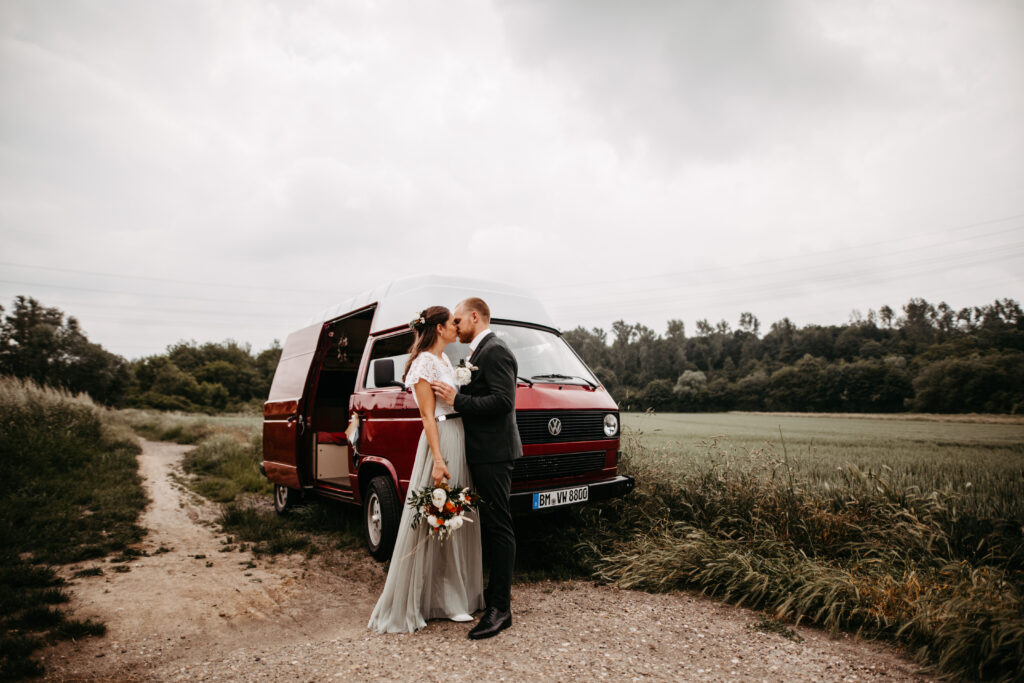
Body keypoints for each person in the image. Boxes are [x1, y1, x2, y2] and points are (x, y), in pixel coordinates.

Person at [367, 306, 484, 633]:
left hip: (458, 435)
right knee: (441, 514)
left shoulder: (445, 359)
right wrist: (438, 460)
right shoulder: (423, 364)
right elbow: (427, 416)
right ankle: (441, 600)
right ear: (438, 328)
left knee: (456, 514)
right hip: (442, 438)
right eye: (452, 323)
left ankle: (456, 594)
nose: (457, 327)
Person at [432, 297, 521, 640]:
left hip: (495, 453)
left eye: (458, 320)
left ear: (474, 316)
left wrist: (458, 400)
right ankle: (493, 594)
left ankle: (501, 609)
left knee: (499, 526)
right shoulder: (478, 352)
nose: (455, 326)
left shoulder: (495, 351)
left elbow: (503, 401)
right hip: (482, 451)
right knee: (491, 526)